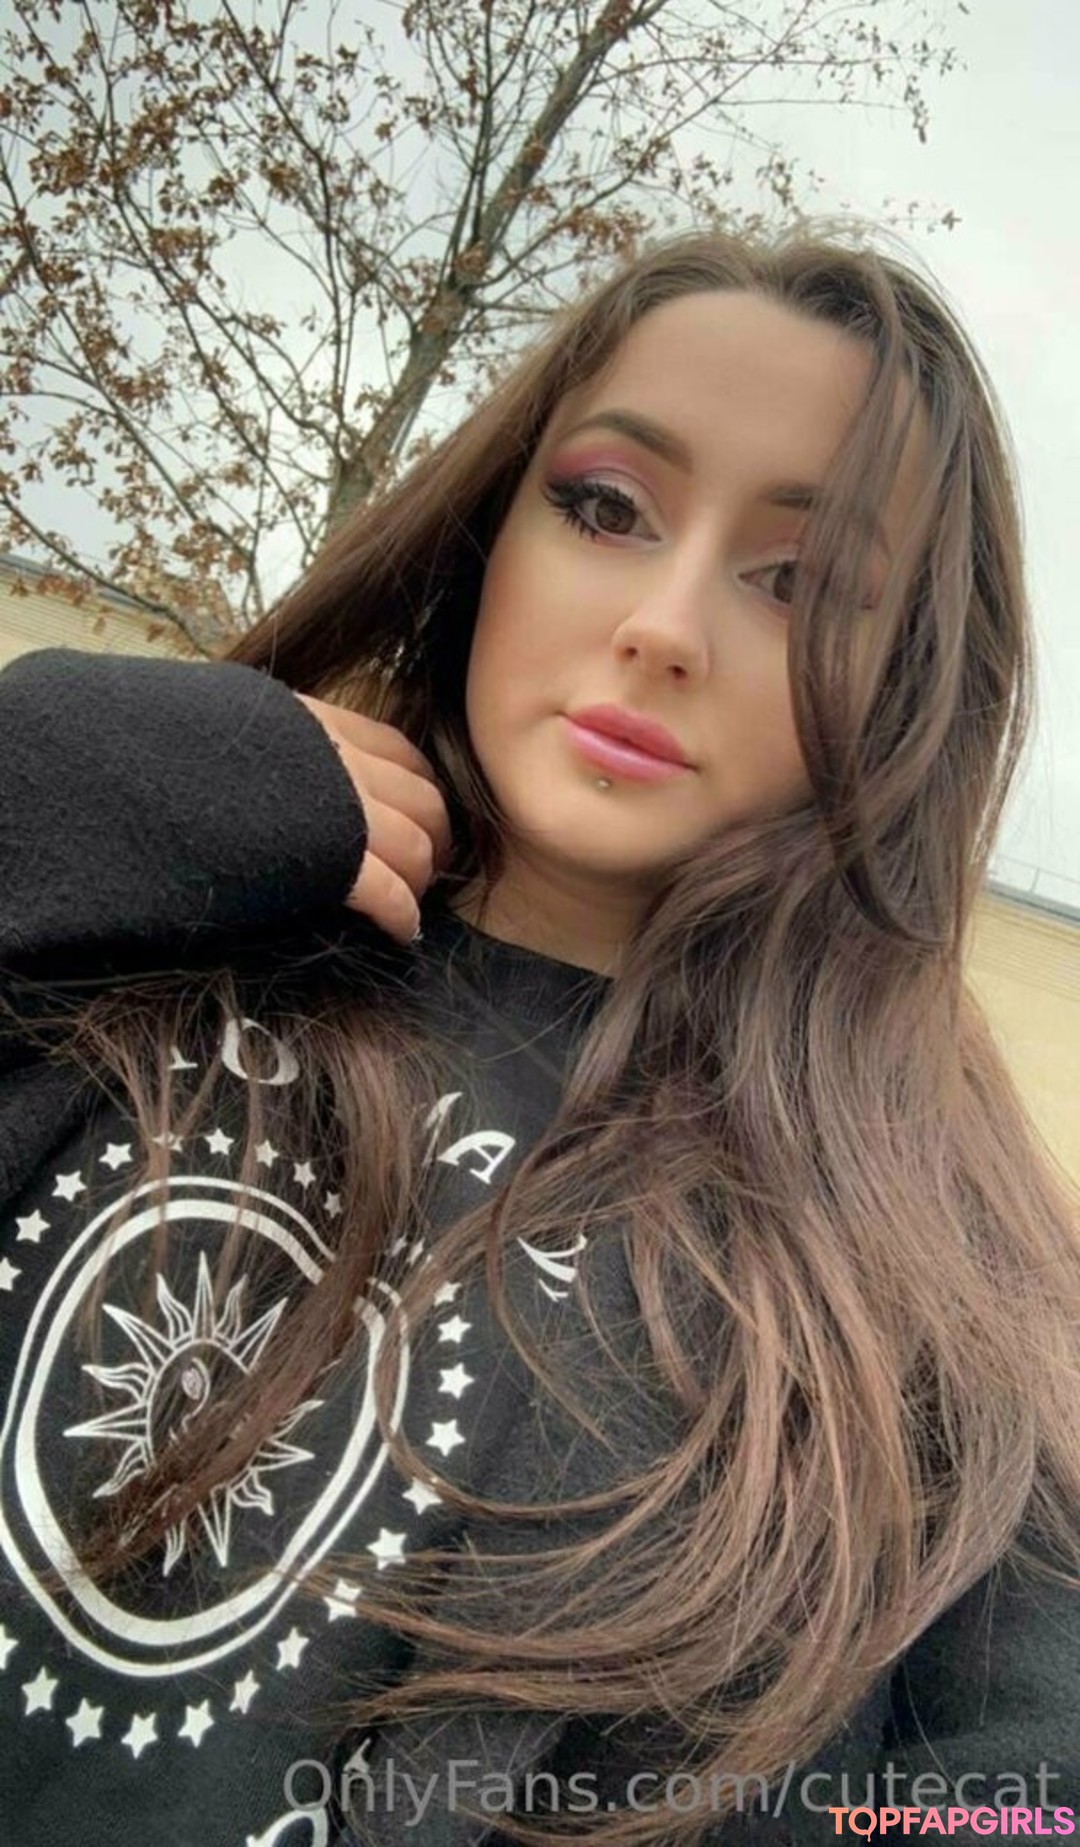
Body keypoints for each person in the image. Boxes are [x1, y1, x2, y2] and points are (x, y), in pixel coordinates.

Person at [0, 225, 1077, 1847]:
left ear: (903, 690)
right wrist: (41, 785)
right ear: (490, 530)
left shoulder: (927, 1273)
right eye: (606, 507)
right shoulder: (152, 905)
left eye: (798, 583)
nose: (663, 624)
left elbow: (1029, 1798)